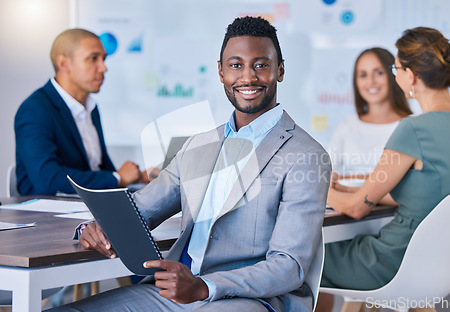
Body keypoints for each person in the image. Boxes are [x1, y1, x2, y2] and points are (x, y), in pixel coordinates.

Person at [48, 16, 331, 312]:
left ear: (280, 70)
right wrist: (93, 228)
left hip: (249, 299)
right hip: (173, 293)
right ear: (221, 72)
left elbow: (288, 266)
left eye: (261, 65)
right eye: (236, 65)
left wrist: (205, 286)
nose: (248, 77)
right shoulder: (198, 145)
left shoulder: (307, 156)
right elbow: (139, 211)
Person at [318, 26, 450, 308]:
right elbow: (423, 192)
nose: (396, 77)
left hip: (391, 263)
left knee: (296, 256)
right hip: (438, 268)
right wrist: (346, 188)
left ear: (411, 75)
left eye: (395, 69)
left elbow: (357, 208)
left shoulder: (413, 130)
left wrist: (320, 190)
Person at [14, 29, 146, 196]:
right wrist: (117, 178)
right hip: (47, 216)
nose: (104, 67)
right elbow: (47, 179)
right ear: (64, 64)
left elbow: (99, 169)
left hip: (88, 208)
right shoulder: (35, 109)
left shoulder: (91, 108)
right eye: (93, 58)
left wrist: (137, 178)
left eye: (104, 59)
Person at [329, 47, 411, 181]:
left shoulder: (411, 126)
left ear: (393, 75)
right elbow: (325, 173)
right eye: (363, 75)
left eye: (378, 73)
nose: (371, 81)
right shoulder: (347, 126)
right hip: (339, 200)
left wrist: (344, 179)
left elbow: (405, 181)